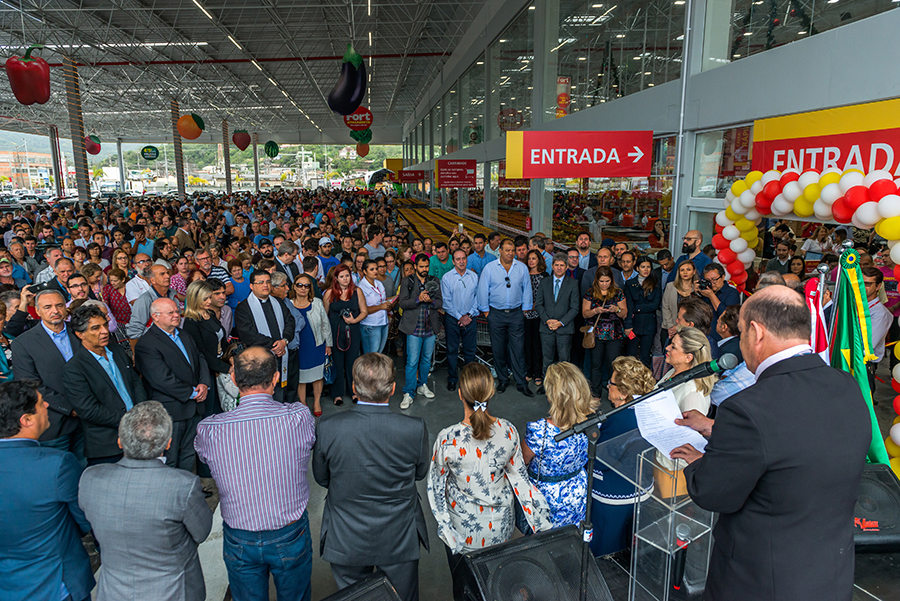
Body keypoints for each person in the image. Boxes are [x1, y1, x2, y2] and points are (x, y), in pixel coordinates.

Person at [672, 286, 871, 601]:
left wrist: (698, 461)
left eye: (740, 333)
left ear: (756, 332)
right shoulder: (846, 385)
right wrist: (716, 429)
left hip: (760, 581)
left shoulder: (747, 408)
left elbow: (713, 493)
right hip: (829, 575)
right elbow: (797, 441)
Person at [196, 346, 316, 601]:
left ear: (234, 379)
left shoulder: (209, 429)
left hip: (239, 536)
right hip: (289, 533)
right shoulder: (299, 416)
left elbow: (205, 460)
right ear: (274, 379)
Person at [428, 362, 550, 600]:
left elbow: (436, 488)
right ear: (491, 393)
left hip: (463, 532)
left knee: (465, 588)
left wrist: (447, 530)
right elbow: (521, 481)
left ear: (461, 394)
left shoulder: (447, 439)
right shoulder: (508, 431)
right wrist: (541, 522)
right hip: (500, 529)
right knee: (496, 585)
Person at [313, 352, 429, 601]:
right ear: (393, 389)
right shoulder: (414, 428)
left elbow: (322, 478)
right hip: (399, 536)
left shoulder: (328, 428)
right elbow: (419, 473)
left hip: (346, 536)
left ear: (354, 388)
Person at [78, 401, 213, 601]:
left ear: (120, 442)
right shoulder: (183, 485)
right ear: (168, 443)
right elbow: (201, 533)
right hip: (173, 592)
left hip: (114, 593)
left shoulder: (90, 478)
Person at [0, 380, 95, 601]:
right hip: (56, 584)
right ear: (26, 420)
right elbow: (84, 519)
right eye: (42, 403)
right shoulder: (58, 464)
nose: (47, 406)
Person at [590, 356, 656, 557]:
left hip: (614, 497)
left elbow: (600, 461)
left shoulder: (620, 419)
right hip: (641, 488)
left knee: (606, 552)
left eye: (610, 383)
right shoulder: (647, 407)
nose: (607, 386)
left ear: (623, 392)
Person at [65, 305, 147, 465]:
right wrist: (129, 419)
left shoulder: (115, 350)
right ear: (80, 334)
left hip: (138, 436)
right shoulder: (74, 369)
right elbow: (88, 410)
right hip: (107, 445)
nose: (104, 331)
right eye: (95, 328)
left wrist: (140, 411)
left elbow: (135, 381)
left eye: (104, 325)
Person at [134, 298, 210, 470]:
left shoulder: (184, 334)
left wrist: (204, 383)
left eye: (177, 311)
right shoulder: (146, 344)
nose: (177, 315)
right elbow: (161, 379)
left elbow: (200, 358)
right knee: (170, 457)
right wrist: (193, 393)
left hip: (194, 406)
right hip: (172, 410)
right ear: (155, 317)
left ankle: (187, 491)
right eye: (171, 313)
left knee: (189, 453)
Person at [11, 289, 83, 460]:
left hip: (88, 419)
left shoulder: (81, 332)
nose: (55, 311)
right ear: (38, 311)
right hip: (53, 423)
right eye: (48, 307)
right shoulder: (24, 343)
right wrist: (71, 408)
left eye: (59, 305)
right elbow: (30, 383)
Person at [523, 361, 596, 529]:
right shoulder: (593, 424)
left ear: (551, 397)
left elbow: (522, 462)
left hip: (546, 501)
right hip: (578, 492)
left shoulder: (540, 431)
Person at [657, 327, 715, 489]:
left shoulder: (693, 392)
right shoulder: (673, 374)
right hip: (659, 457)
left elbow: (688, 440)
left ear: (688, 357)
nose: (667, 348)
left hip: (673, 470)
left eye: (674, 346)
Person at [477, 239, 534, 397]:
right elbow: (482, 290)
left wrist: (525, 309)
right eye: (507, 250)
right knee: (498, 348)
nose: (510, 253)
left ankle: (521, 382)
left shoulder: (521, 267)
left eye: (512, 250)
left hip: (516, 313)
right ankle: (503, 379)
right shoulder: (490, 268)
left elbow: (526, 288)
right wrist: (486, 312)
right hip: (496, 313)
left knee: (518, 349)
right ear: (500, 251)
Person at [234, 270, 296, 402]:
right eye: (260, 282)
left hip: (282, 354)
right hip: (260, 361)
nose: (265, 285)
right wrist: (274, 345)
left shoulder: (278, 302)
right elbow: (248, 334)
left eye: (268, 282)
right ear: (251, 286)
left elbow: (290, 321)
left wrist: (284, 341)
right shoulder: (244, 308)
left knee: (285, 392)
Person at [398, 253, 443, 408]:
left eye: (426, 267)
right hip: (414, 328)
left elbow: (440, 303)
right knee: (412, 361)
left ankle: (422, 385)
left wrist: (430, 300)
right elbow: (402, 303)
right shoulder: (407, 281)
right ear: (415, 266)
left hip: (430, 327)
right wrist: (418, 299)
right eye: (421, 266)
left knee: (426, 360)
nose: (424, 269)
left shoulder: (434, 280)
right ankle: (408, 392)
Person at [183, 280, 231, 423]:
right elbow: (201, 352)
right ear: (195, 299)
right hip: (206, 371)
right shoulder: (191, 322)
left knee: (222, 408)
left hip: (219, 366)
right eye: (206, 298)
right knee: (210, 410)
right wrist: (226, 368)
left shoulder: (209, 314)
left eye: (210, 297)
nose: (210, 301)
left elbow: (221, 338)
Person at [533, 253, 580, 394]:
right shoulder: (544, 282)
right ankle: (547, 385)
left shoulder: (573, 283)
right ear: (552, 266)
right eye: (556, 265)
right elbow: (539, 304)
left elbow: (575, 308)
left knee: (564, 360)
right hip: (546, 327)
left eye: (562, 265)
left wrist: (560, 322)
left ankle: (564, 387)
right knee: (547, 359)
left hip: (564, 329)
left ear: (566, 267)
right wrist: (547, 320)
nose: (559, 268)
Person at [583, 265, 628, 400]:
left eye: (607, 281)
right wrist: (596, 311)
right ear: (597, 280)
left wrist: (617, 310)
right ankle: (596, 393)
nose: (604, 284)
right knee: (595, 364)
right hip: (596, 333)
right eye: (601, 281)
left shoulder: (618, 292)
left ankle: (613, 393)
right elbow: (585, 313)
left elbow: (624, 312)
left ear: (611, 280)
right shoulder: (590, 293)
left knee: (612, 364)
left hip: (614, 333)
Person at [324, 264, 367, 406]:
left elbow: (364, 311)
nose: (345, 279)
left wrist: (354, 320)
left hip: (353, 332)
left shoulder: (357, 291)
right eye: (341, 276)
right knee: (336, 362)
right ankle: (337, 394)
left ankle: (353, 391)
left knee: (352, 362)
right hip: (335, 333)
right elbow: (324, 317)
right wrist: (326, 340)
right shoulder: (329, 293)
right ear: (336, 278)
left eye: (347, 276)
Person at [291, 274, 331, 417]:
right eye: (299, 285)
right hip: (298, 346)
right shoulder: (288, 303)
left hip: (316, 344)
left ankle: (317, 402)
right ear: (294, 287)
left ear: (310, 288)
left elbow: (326, 325)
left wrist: (329, 344)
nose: (303, 288)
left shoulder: (317, 303)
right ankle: (302, 403)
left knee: (317, 375)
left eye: (306, 285)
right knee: (301, 377)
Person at [441, 249, 479, 392]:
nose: (461, 261)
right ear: (453, 261)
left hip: (470, 318)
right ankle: (452, 379)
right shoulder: (447, 278)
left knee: (470, 351)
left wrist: (468, 315)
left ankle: (469, 380)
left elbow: (478, 298)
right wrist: (460, 317)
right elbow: (446, 302)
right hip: (453, 319)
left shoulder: (474, 276)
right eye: (458, 259)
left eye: (463, 258)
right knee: (452, 350)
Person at [622, 256, 661, 368]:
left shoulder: (655, 283)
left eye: (648, 267)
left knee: (645, 355)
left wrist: (637, 308)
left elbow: (655, 305)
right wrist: (628, 325)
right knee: (631, 355)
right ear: (637, 268)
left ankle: (644, 381)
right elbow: (629, 306)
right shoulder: (630, 284)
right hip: (633, 324)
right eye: (643, 267)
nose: (646, 269)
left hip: (649, 324)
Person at [126, 264, 179, 340]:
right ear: (153, 280)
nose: (167, 276)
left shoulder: (173, 294)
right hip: (154, 341)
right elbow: (134, 332)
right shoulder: (145, 299)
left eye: (167, 273)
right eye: (162, 274)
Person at [863, 266, 893, 393]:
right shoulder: (856, 305)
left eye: (867, 284)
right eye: (860, 283)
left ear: (878, 286)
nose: (862, 287)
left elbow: (868, 346)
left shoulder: (880, 314)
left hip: (864, 366)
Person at [524, 249, 549, 386]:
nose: (531, 261)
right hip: (526, 314)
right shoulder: (523, 274)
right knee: (527, 344)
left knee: (538, 344)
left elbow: (547, 296)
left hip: (540, 314)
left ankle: (538, 373)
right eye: (529, 259)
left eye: (534, 258)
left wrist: (536, 306)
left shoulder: (545, 276)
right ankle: (529, 371)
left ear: (539, 260)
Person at [661, 260, 697, 345]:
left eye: (688, 269)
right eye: (682, 270)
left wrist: (679, 328)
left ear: (694, 271)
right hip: (669, 329)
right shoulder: (670, 286)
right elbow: (665, 307)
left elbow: (696, 312)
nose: (685, 272)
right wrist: (671, 327)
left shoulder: (696, 289)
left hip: (689, 331)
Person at [358, 259, 390, 354]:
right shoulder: (361, 287)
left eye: (376, 268)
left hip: (383, 322)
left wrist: (388, 303)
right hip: (370, 324)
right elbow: (363, 309)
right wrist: (381, 306)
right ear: (364, 271)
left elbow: (382, 300)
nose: (375, 271)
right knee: (371, 355)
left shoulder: (379, 283)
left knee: (378, 353)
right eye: (372, 269)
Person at [699, 262, 741, 329]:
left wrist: (712, 296)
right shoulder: (704, 292)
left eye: (714, 279)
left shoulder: (732, 293)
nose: (711, 283)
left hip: (720, 334)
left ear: (723, 277)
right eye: (707, 280)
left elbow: (727, 317)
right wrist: (697, 293)